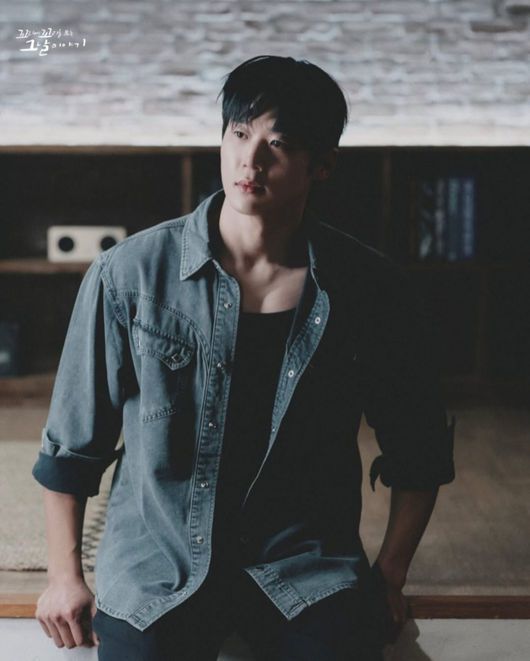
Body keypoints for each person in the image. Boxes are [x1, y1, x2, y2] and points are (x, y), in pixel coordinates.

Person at [32, 55, 456, 660]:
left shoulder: (370, 288)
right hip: (162, 560)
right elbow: (72, 445)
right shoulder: (129, 274)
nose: (249, 162)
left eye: (277, 145)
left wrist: (389, 574)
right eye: (238, 134)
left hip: (303, 561)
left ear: (322, 165)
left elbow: (419, 448)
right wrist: (64, 577)